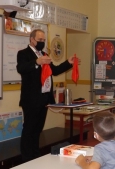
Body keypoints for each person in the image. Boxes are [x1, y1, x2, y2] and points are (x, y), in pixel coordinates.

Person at [16, 29, 75, 162]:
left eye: (43, 40)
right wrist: (37, 62)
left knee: (38, 129)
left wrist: (68, 63)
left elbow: (54, 71)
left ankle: (35, 156)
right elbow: (21, 68)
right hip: (31, 100)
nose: (42, 42)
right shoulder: (23, 54)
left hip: (44, 99)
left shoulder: (44, 54)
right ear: (32, 39)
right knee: (29, 129)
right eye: (40, 40)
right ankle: (26, 158)